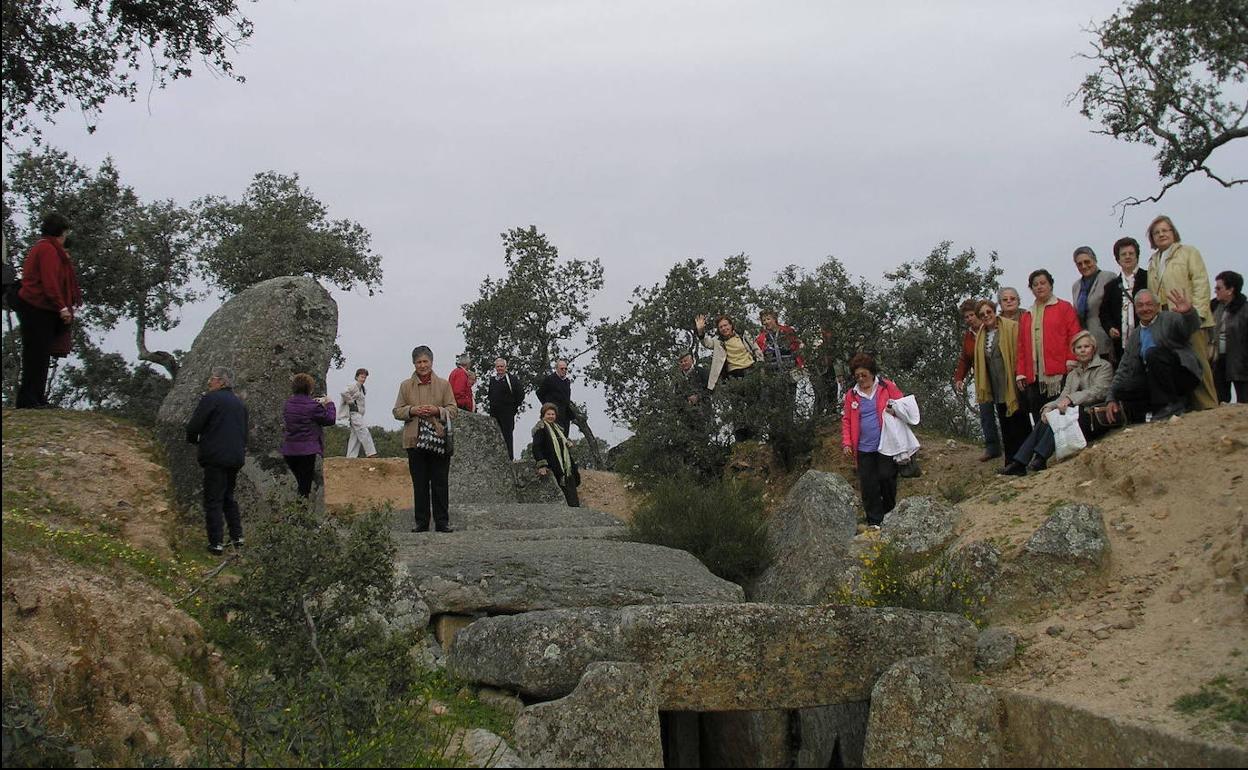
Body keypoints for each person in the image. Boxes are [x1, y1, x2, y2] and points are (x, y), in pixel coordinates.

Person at [1002, 330, 1112, 475]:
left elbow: (1099, 391)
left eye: (1086, 346)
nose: (1083, 350)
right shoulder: (1073, 374)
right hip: (1073, 415)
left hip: (1093, 415)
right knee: (1049, 417)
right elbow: (1063, 396)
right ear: (1074, 351)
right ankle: (1020, 462)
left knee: (1060, 417)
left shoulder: (1104, 367)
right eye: (1079, 347)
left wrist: (1071, 399)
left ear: (1093, 348)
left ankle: (1040, 458)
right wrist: (1049, 407)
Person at [1145, 215, 1218, 409]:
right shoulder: (1153, 261)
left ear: (1173, 232)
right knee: (1179, 363)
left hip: (1190, 318)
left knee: (1198, 361)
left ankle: (1208, 405)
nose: (1161, 235)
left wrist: (1197, 313)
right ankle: (1189, 406)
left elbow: (1201, 282)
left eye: (1165, 230)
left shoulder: (1188, 252)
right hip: (1167, 323)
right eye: (1156, 232)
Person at [13, 213, 82, 408]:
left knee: (41, 354)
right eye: (65, 233)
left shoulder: (46, 248)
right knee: (35, 354)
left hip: (41, 307)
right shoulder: (47, 250)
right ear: (60, 232)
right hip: (36, 306)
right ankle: (28, 399)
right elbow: (50, 281)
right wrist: (62, 306)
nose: (66, 238)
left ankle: (37, 397)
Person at [1105, 289, 1204, 423]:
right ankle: (1157, 410)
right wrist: (1111, 397)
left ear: (1157, 306)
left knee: (1153, 353)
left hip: (1181, 375)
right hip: (1153, 380)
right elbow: (1124, 368)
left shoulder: (1169, 319)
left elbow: (1190, 328)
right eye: (1140, 305)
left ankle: (1171, 405)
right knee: (1121, 389)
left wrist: (1188, 313)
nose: (1145, 309)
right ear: (1135, 309)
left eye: (1149, 304)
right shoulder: (1135, 336)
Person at [393, 346, 458, 533]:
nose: (422, 365)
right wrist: (412, 410)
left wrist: (437, 410)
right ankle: (421, 522)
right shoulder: (405, 386)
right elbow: (397, 411)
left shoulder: (444, 385)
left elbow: (453, 410)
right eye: (419, 362)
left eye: (425, 361)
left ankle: (442, 522)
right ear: (414, 364)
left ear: (431, 362)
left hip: (438, 440)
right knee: (419, 483)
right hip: (414, 441)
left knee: (440, 482)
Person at [185, 366, 248, 555]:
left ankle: (216, 542)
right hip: (235, 456)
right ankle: (237, 536)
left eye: (212, 378)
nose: (209, 382)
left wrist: (194, 440)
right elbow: (244, 432)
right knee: (228, 497)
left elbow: (194, 426)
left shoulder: (211, 399)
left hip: (215, 455)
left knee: (213, 499)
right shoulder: (240, 404)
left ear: (221, 381)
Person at [841, 353, 905, 529]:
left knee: (887, 478)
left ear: (872, 373)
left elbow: (903, 405)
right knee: (868, 486)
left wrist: (895, 411)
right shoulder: (851, 395)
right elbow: (847, 420)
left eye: (864, 375)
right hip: (863, 448)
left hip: (886, 445)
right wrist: (847, 443)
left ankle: (889, 513)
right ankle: (874, 521)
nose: (861, 379)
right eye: (857, 376)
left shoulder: (887, 386)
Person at [1017, 268, 1082, 426]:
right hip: (1034, 375)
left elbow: (1074, 335)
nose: (1039, 287)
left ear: (1050, 285)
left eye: (1043, 283)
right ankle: (1041, 441)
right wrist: (1021, 372)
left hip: (1059, 373)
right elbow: (1021, 346)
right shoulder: (1027, 315)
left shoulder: (1064, 307)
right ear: (1031, 289)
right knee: (1038, 414)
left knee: (1059, 414)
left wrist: (1071, 359)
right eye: (1035, 284)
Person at [973, 300, 1031, 464]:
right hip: (995, 386)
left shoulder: (1010, 327)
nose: (986, 316)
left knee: (1020, 421)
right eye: (982, 315)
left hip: (1013, 382)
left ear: (994, 311)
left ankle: (1026, 459)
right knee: (1005, 423)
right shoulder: (981, 336)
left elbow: (1021, 351)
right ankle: (1010, 461)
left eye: (988, 312)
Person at [954, 298, 1001, 462]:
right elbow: (965, 359)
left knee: (1005, 410)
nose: (969, 319)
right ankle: (992, 448)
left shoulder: (990, 329)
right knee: (986, 412)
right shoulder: (968, 336)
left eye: (971, 315)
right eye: (966, 317)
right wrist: (959, 378)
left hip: (998, 374)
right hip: (982, 379)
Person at [281, 373, 337, 498]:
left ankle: (293, 507)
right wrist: (329, 404)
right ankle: (302, 509)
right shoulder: (313, 407)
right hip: (307, 450)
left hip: (289, 450)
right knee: (305, 488)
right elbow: (330, 419)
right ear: (309, 388)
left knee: (295, 484)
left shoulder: (288, 404)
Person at [1099, 236, 1148, 364]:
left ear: (1137, 256)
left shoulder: (1148, 278)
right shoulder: (1111, 286)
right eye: (1123, 254)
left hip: (1147, 339)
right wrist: (1110, 328)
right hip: (1121, 345)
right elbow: (1104, 313)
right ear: (1118, 259)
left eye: (1131, 253)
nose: (1127, 257)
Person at [695, 313, 764, 391]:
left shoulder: (742, 335)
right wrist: (700, 331)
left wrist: (760, 365)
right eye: (721, 327)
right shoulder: (718, 341)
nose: (724, 328)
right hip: (734, 375)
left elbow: (756, 349)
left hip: (750, 370)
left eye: (725, 325)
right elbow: (706, 343)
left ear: (731, 325)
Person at [1071, 246, 1116, 362]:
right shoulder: (1076, 286)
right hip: (1085, 343)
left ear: (1094, 260)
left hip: (1105, 339)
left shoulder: (1108, 277)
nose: (1084, 266)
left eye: (1087, 262)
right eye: (1079, 264)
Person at [532, 402, 581, 507]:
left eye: (553, 414)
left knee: (572, 498)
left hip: (565, 469)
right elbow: (536, 447)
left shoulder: (559, 429)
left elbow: (562, 444)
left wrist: (568, 443)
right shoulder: (540, 429)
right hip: (553, 468)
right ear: (543, 415)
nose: (551, 416)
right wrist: (542, 465)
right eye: (548, 414)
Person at [1211, 270, 1247, 403]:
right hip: (1217, 359)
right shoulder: (1213, 307)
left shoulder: (1245, 310)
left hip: (1240, 361)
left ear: (1230, 290)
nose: (1215, 291)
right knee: (1219, 399)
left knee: (1244, 400)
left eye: (1219, 288)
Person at [487, 357, 524, 458]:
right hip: (494, 413)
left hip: (507, 413)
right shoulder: (493, 380)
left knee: (507, 436)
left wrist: (513, 408)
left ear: (505, 367)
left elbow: (520, 394)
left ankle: (509, 458)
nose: (500, 368)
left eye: (501, 366)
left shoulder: (512, 379)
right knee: (495, 434)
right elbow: (490, 395)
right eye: (498, 366)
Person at [340, 367, 377, 458]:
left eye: (364, 377)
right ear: (357, 377)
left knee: (355, 436)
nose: (363, 379)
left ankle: (351, 456)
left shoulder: (362, 388)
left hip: (358, 413)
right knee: (364, 431)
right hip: (354, 413)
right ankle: (371, 452)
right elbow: (344, 392)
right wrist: (351, 402)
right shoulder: (353, 385)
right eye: (361, 377)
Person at [536, 359, 578, 436]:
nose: (564, 370)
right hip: (554, 415)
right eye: (562, 368)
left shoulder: (567, 381)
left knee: (564, 437)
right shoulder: (550, 379)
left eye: (565, 369)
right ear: (557, 369)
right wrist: (548, 406)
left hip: (565, 415)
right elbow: (539, 393)